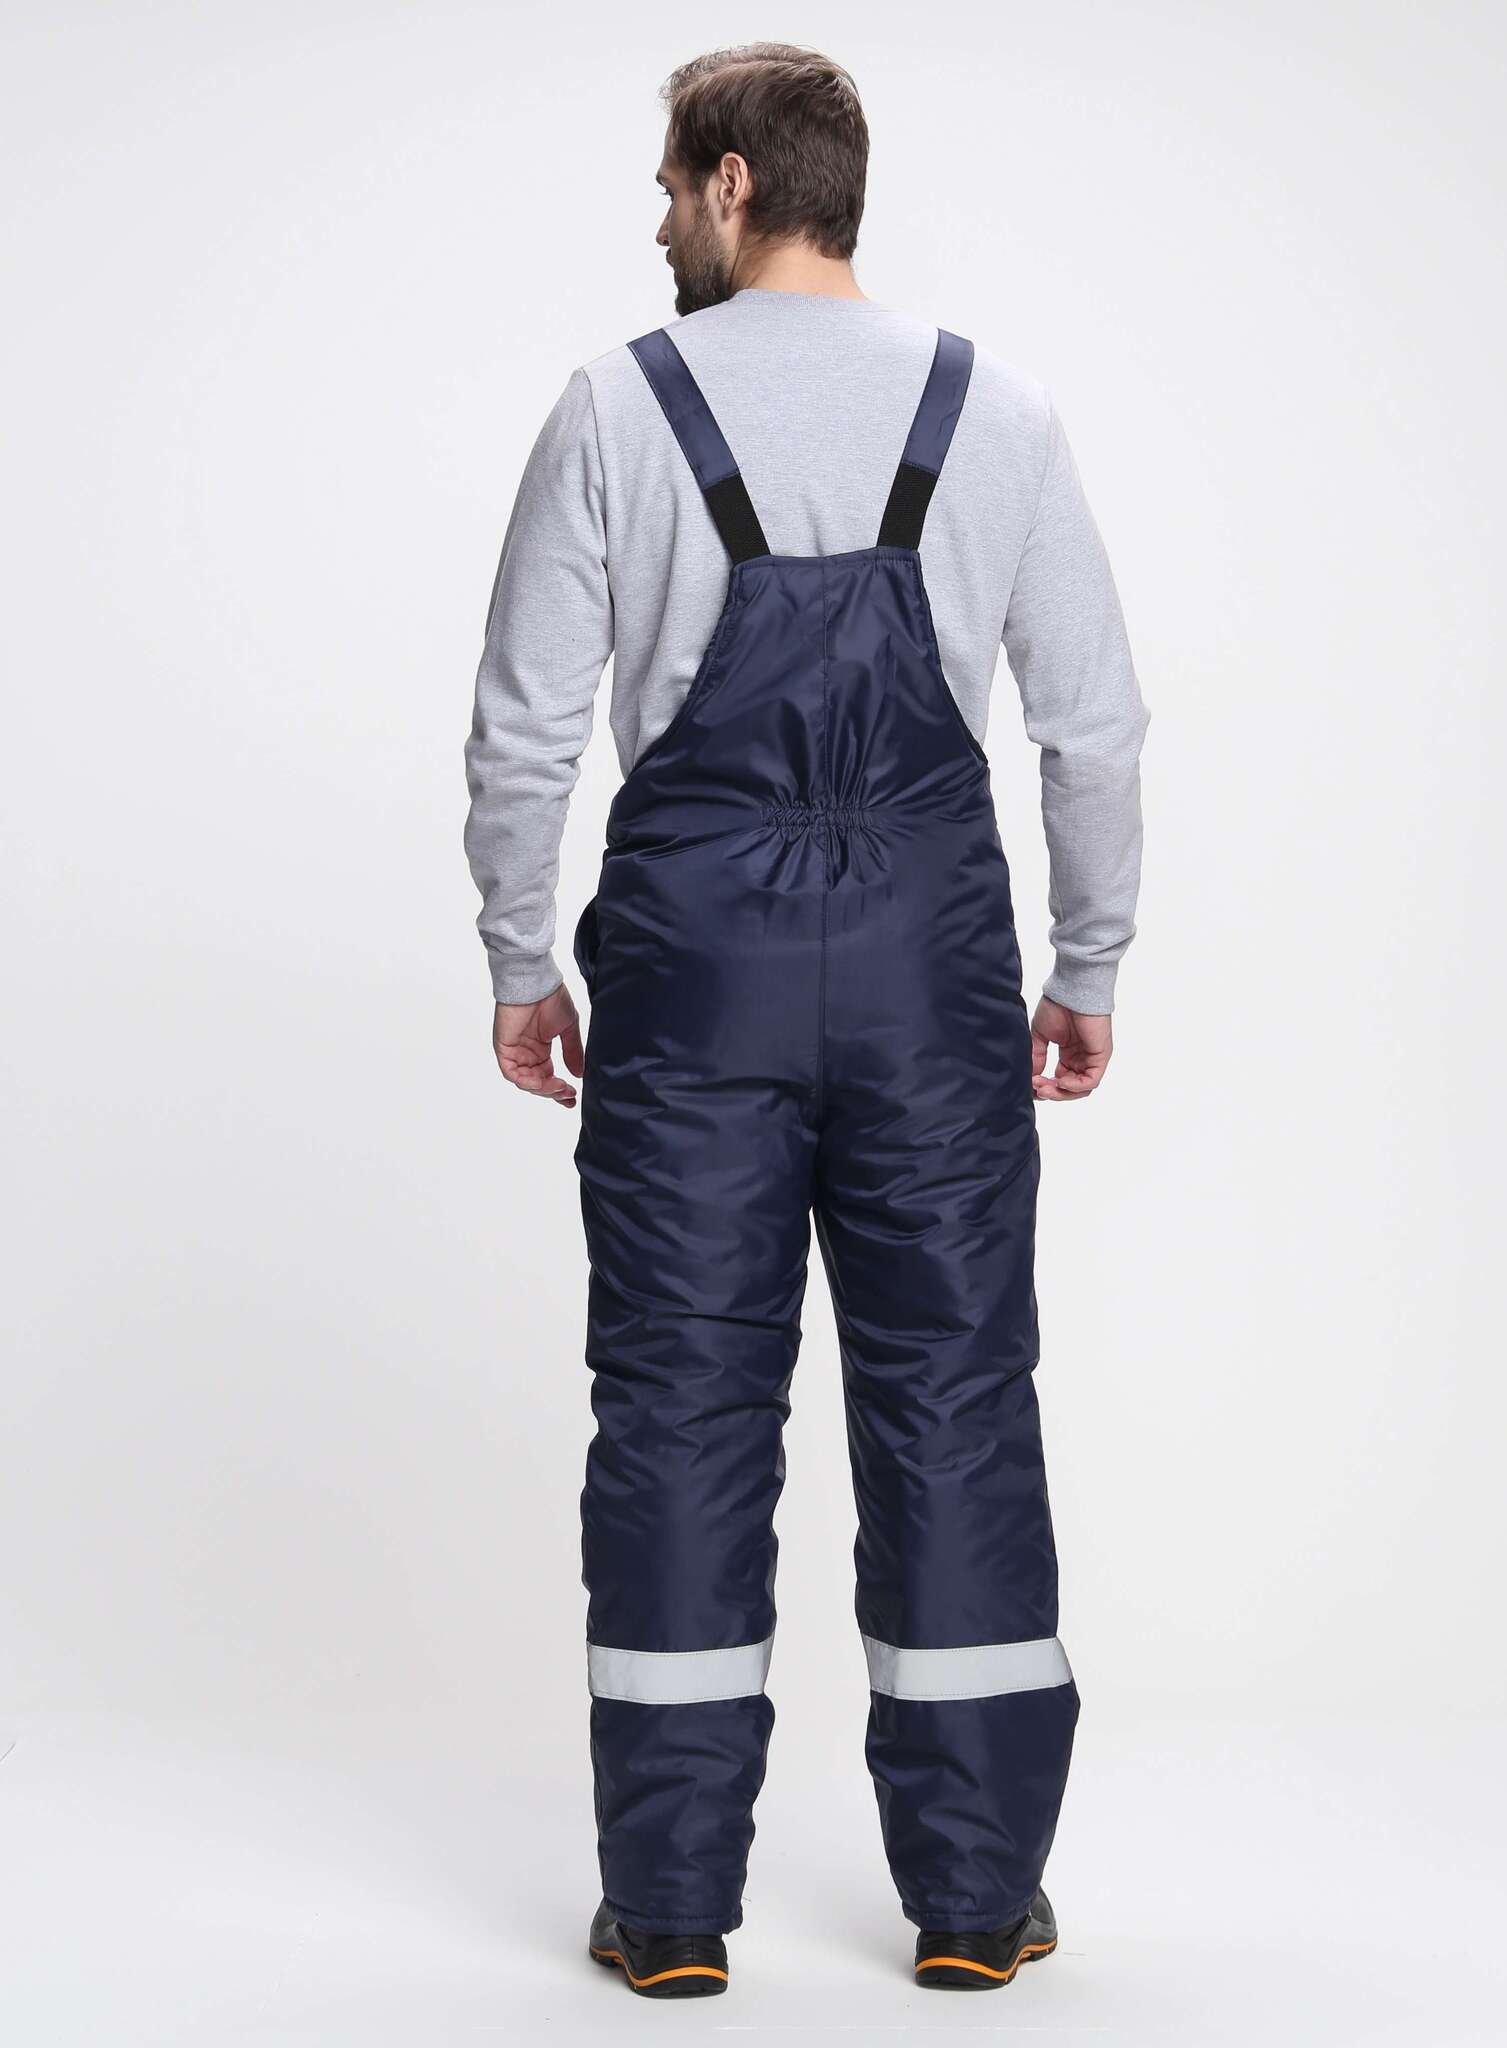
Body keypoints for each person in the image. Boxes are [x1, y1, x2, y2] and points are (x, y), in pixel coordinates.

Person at [462, 42, 1150, 2001]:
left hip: (695, 977)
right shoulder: (1000, 412)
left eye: (670, 187)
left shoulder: (616, 405)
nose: (658, 222)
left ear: (737, 186)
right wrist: (1086, 965)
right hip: (933, 973)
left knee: (681, 1407)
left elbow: (523, 730)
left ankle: (673, 1908)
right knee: (955, 1398)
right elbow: (1094, 727)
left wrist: (521, 959)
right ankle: (976, 1900)